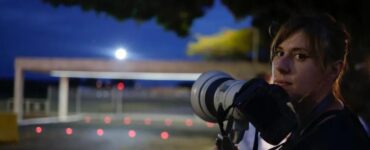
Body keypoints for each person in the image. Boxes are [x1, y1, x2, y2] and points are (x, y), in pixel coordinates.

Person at [265, 13, 370, 149]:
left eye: (300, 56)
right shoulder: (312, 123)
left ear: (333, 70)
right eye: (279, 53)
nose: (280, 66)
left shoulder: (337, 139)